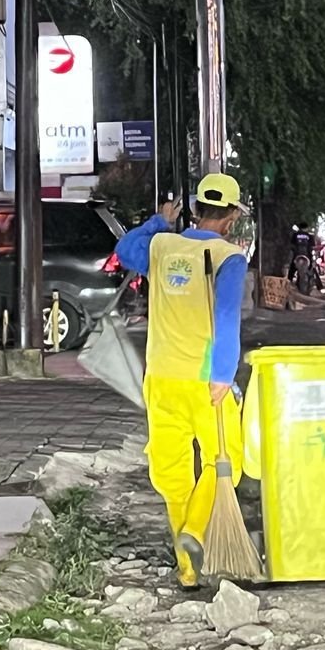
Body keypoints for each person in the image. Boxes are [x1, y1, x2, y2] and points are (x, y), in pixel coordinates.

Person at [114, 173, 250, 588]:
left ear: (194, 210)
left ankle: (188, 571)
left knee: (172, 471)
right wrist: (224, 375)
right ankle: (194, 529)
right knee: (226, 463)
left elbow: (124, 250)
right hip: (206, 379)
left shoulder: (160, 245)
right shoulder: (229, 256)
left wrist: (158, 220)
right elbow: (226, 318)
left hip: (159, 378)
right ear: (229, 217)